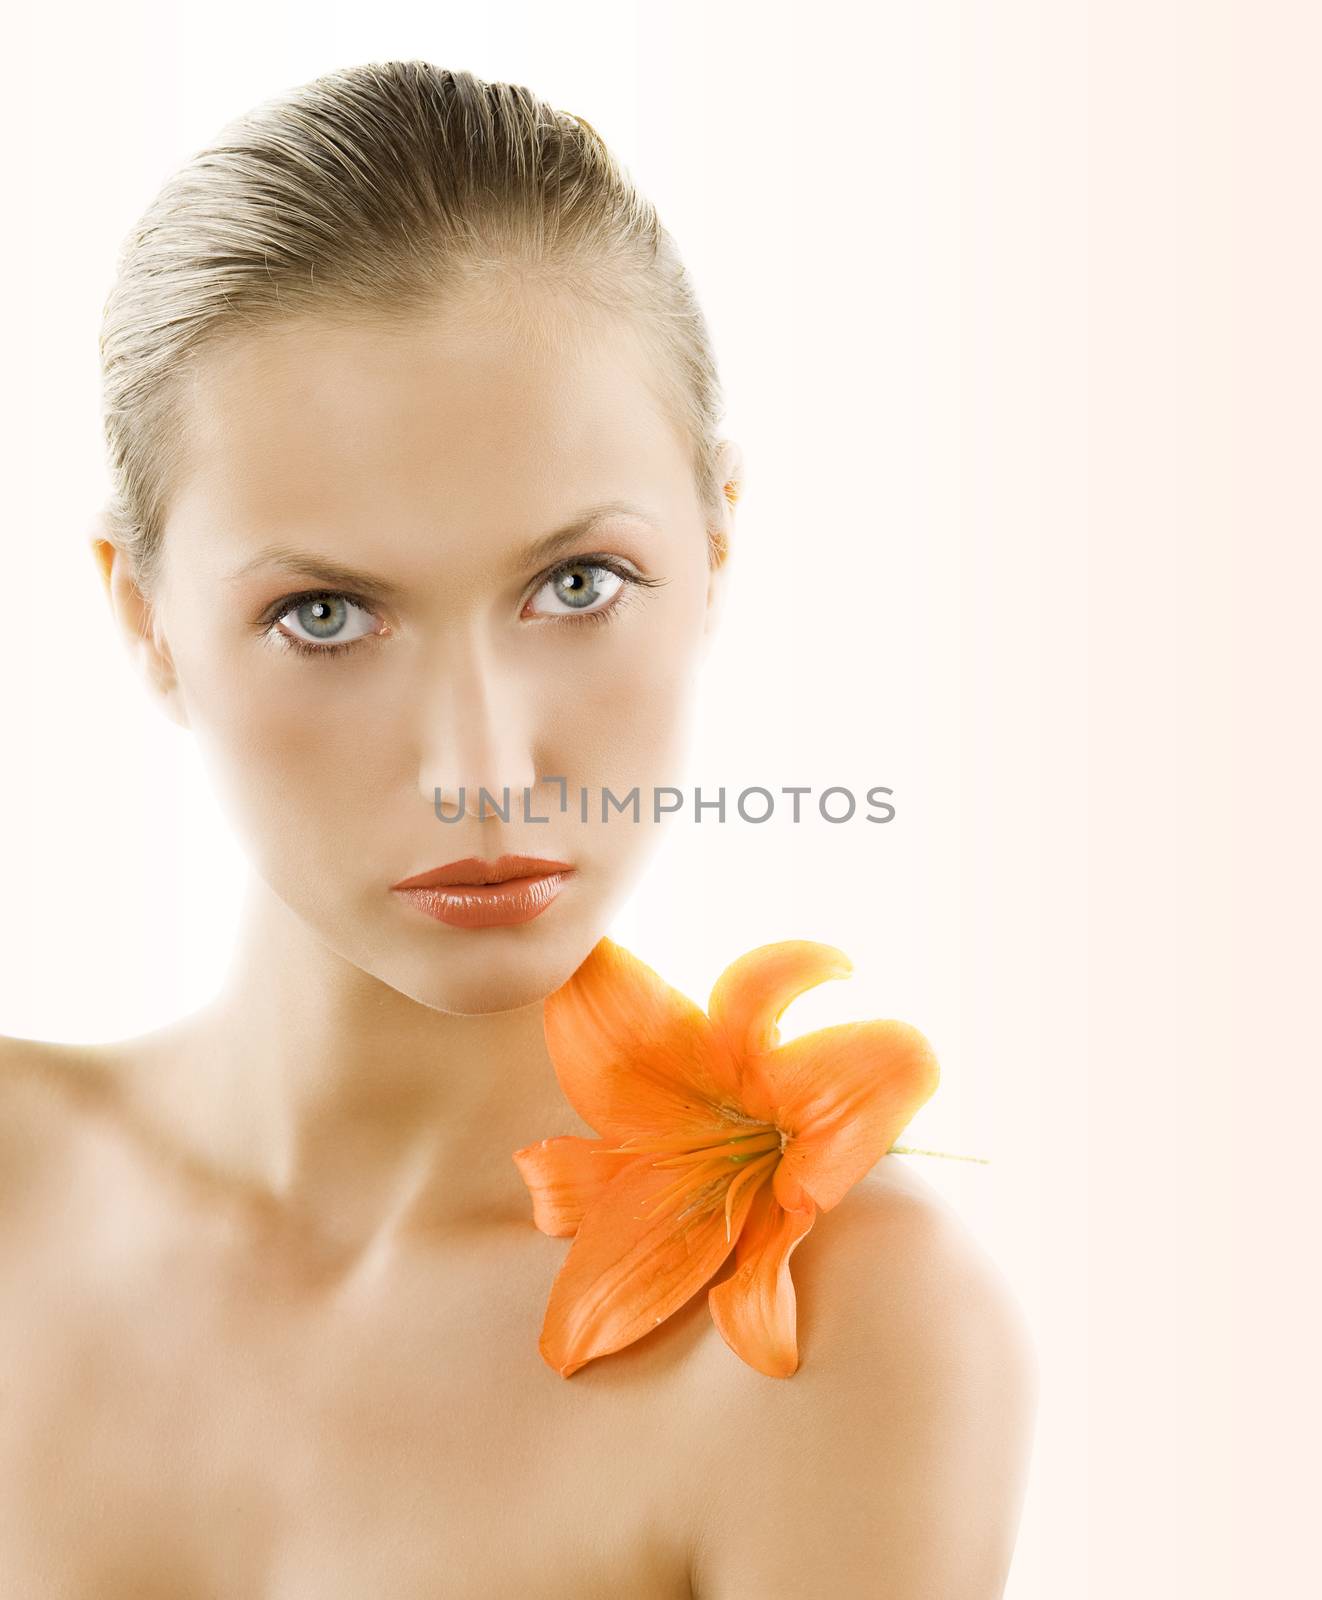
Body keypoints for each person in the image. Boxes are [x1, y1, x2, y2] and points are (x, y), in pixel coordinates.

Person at [0, 60, 1036, 1596]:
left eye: (575, 585)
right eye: (325, 612)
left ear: (716, 546)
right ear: (142, 616)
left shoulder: (833, 1330)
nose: (478, 767)